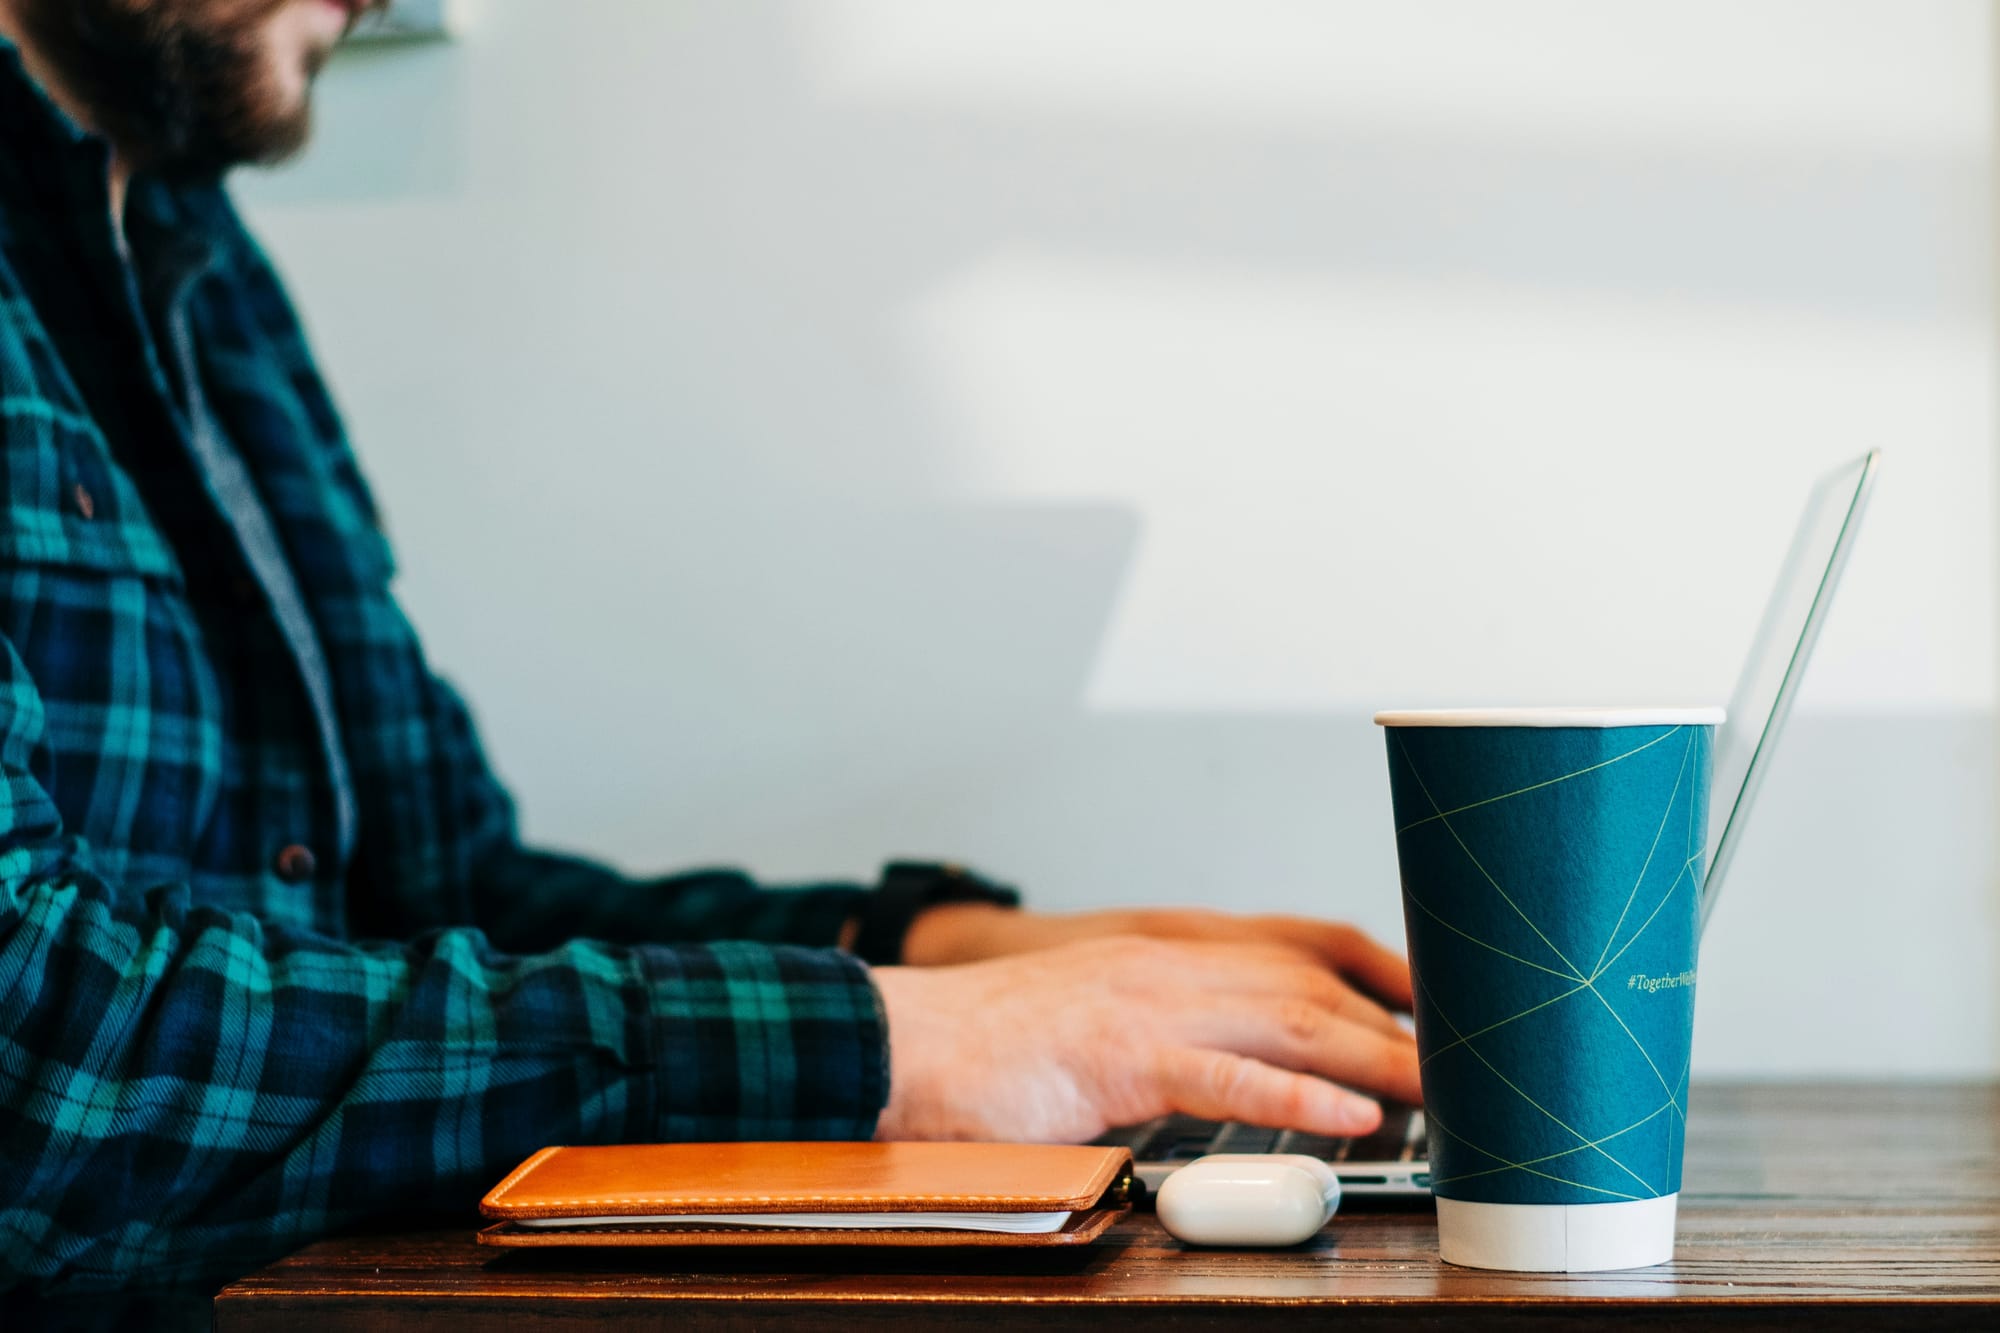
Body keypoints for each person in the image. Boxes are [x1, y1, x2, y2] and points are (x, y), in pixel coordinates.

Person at [0, 0, 1422, 1309]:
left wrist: (946, 952)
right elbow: (39, 1063)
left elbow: (439, 890)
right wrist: (899, 1044)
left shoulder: (205, 275)